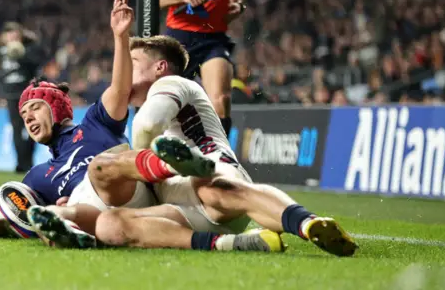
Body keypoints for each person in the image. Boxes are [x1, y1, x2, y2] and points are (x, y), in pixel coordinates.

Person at [29, 36, 357, 257]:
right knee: (111, 225)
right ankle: (232, 244)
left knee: (215, 190)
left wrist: (143, 169)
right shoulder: (141, 108)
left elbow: (148, 127)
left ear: (159, 66)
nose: (126, 70)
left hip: (214, 176)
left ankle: (308, 223)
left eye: (134, 60)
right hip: (182, 205)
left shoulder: (174, 83)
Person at [0, 0, 156, 237]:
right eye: (24, 115)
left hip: (133, 199)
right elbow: (12, 213)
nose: (29, 117)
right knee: (62, 210)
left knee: (100, 173)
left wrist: (120, 38)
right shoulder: (37, 177)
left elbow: (120, 90)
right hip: (105, 222)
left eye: (35, 108)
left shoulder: (95, 122)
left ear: (56, 109)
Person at [157, 0, 247, 136]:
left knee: (222, 99)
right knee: (170, 104)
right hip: (179, 38)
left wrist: (238, 4)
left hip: (213, 37)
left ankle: (219, 156)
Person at [0, 22, 43, 172]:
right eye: (8, 33)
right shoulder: (1, 51)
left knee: (33, 127)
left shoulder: (29, 49)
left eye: (14, 33)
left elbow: (37, 61)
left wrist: (27, 47)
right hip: (11, 95)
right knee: (17, 129)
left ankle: (28, 160)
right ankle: (20, 163)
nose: (11, 36)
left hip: (28, 94)